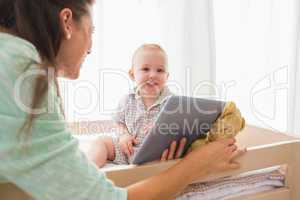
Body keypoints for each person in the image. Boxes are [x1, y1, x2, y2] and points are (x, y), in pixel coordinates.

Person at [0, 1, 246, 200]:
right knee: (102, 143)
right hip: (124, 147)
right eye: (92, 30)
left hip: (143, 152)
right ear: (67, 22)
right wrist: (197, 165)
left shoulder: (13, 58)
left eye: (160, 71)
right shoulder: (22, 70)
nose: (91, 47)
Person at [85, 43, 188, 167]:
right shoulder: (127, 99)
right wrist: (123, 135)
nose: (153, 75)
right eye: (145, 69)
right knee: (101, 142)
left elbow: (180, 129)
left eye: (160, 70)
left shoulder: (172, 102)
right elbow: (118, 122)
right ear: (132, 74)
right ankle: (88, 170)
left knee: (175, 155)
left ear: (167, 77)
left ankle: (144, 174)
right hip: (127, 149)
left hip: (155, 154)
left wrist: (163, 129)